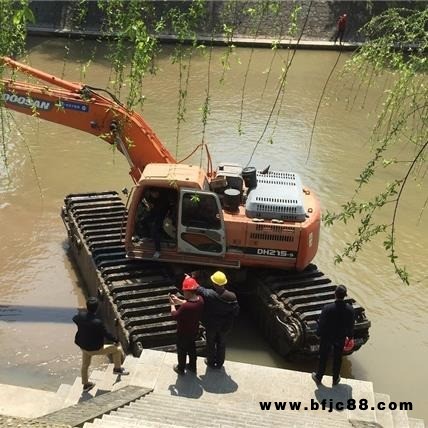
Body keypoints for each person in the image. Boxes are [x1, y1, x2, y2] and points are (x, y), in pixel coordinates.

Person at [73, 297, 129, 392]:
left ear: (87, 307)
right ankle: (117, 369)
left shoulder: (80, 317)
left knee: (85, 365)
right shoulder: (97, 322)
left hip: (83, 346)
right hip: (95, 348)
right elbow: (106, 334)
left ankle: (86, 384)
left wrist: (82, 316)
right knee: (117, 350)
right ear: (97, 308)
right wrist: (116, 340)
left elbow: (74, 318)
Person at [312, 285, 355, 387]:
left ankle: (319, 377)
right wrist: (350, 336)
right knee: (338, 358)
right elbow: (351, 325)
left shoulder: (327, 308)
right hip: (340, 337)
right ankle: (335, 379)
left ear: (334, 294)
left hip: (327, 337)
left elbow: (322, 323)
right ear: (345, 295)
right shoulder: (350, 310)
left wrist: (318, 333)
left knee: (323, 356)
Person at [196, 271, 239, 369]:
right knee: (222, 343)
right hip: (225, 326)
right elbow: (236, 312)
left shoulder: (209, 294)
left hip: (211, 325)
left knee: (210, 343)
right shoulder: (232, 296)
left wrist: (191, 277)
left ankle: (210, 362)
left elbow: (198, 288)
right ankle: (219, 363)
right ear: (224, 283)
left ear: (214, 283)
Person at [169, 276, 204, 375]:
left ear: (188, 292)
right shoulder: (200, 300)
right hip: (194, 330)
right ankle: (193, 367)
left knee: (181, 350)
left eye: (184, 291)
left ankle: (181, 368)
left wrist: (172, 304)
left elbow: (175, 315)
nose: (183, 293)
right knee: (192, 348)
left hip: (183, 332)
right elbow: (189, 303)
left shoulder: (186, 307)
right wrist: (179, 301)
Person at [142, 188, 172, 258]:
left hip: (162, 216)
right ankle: (148, 236)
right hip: (154, 213)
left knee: (155, 230)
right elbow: (150, 205)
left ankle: (158, 251)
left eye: (155, 193)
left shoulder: (164, 200)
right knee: (143, 221)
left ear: (157, 193)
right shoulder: (151, 198)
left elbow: (168, 209)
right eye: (152, 194)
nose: (154, 195)